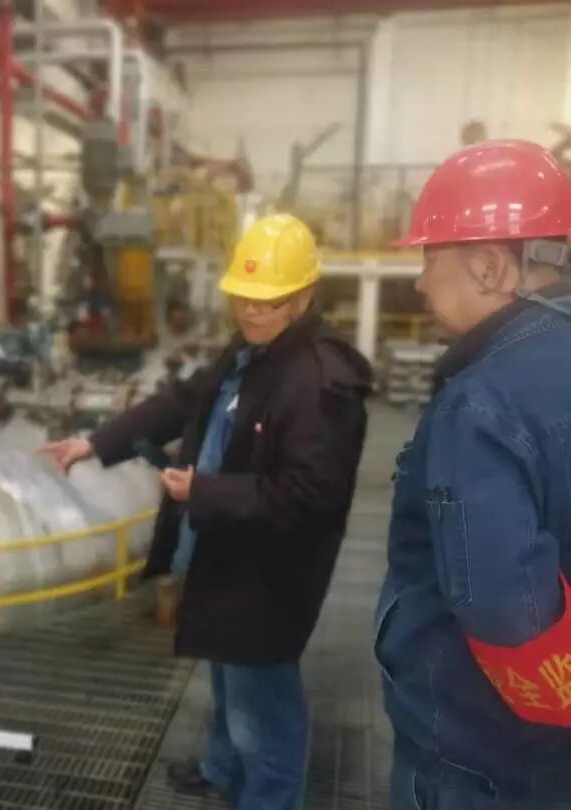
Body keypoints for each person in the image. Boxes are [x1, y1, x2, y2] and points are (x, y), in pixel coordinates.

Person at [41, 214, 372, 810]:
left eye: (267, 301)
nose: (250, 311)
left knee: (261, 707)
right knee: (226, 678)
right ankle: (222, 770)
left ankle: (269, 800)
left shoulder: (318, 382)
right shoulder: (253, 351)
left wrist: (206, 492)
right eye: (242, 297)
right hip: (224, 550)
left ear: (305, 296)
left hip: (268, 573)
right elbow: (184, 400)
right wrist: (97, 443)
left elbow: (310, 495)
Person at [377, 139, 571, 809]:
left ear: (490, 267)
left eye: (430, 260)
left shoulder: (481, 403)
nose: (419, 283)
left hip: (480, 758)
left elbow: (505, 609)